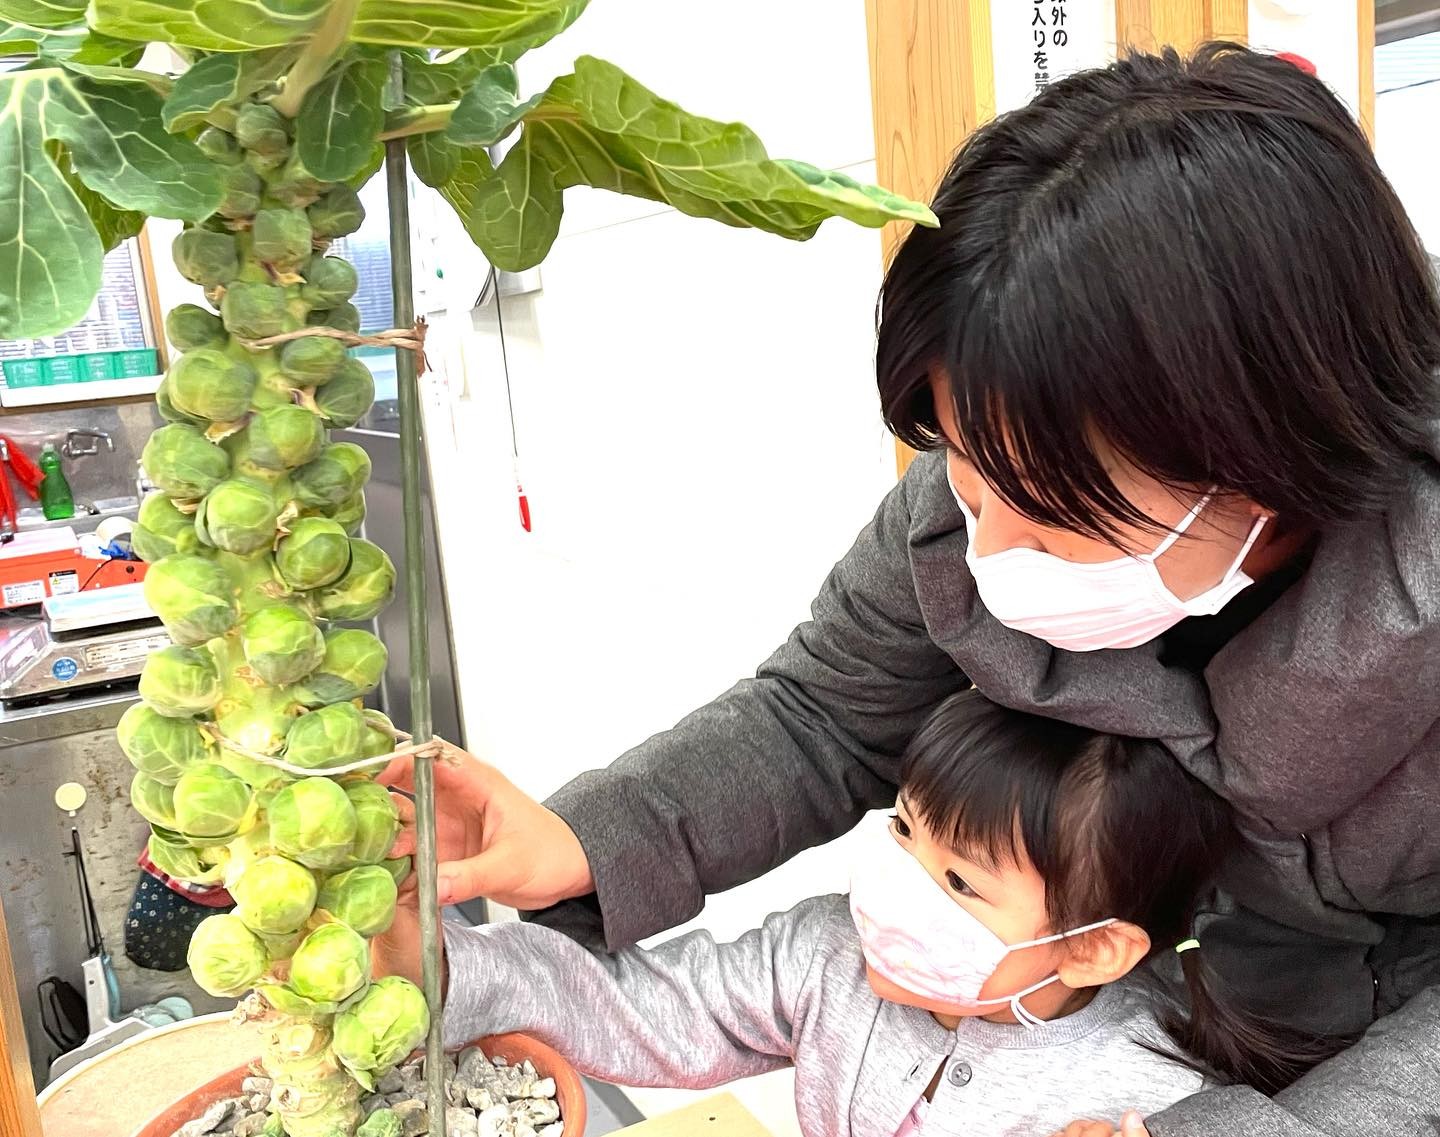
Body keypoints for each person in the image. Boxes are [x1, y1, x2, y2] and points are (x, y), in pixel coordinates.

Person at [380, 43, 1440, 1131]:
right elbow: (821, 715)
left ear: (1275, 457)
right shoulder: (969, 502)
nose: (992, 549)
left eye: (1057, 511)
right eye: (969, 474)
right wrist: (589, 843)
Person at [428, 694, 1328, 1136]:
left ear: (1093, 948)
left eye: (961, 882)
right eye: (904, 830)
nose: (900, 887)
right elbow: (652, 1006)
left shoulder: (1152, 1100)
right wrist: (443, 966)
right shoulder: (829, 954)